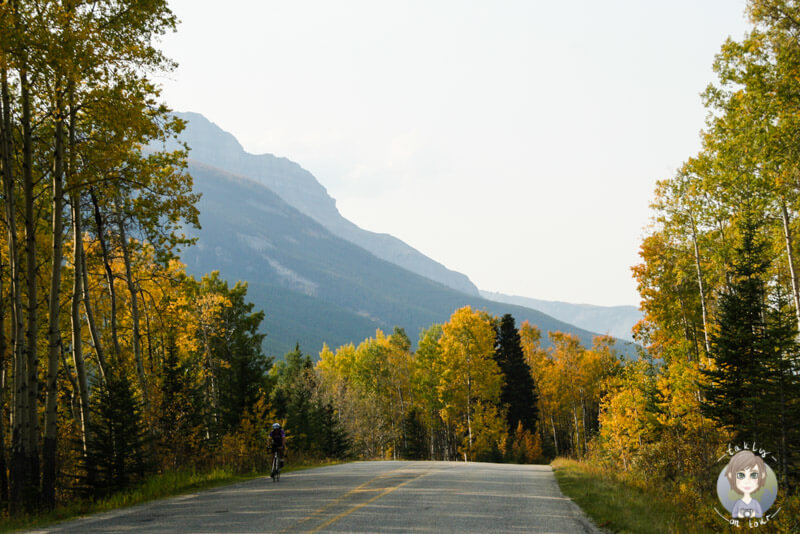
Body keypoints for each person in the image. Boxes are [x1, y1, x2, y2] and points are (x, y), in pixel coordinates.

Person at [725, 450, 767, 518]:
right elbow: (734, 514)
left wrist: (753, 514)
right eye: (741, 475)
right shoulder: (738, 503)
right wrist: (739, 515)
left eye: (753, 475)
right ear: (731, 476)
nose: (747, 481)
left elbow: (759, 514)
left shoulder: (755, 503)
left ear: (762, 475)